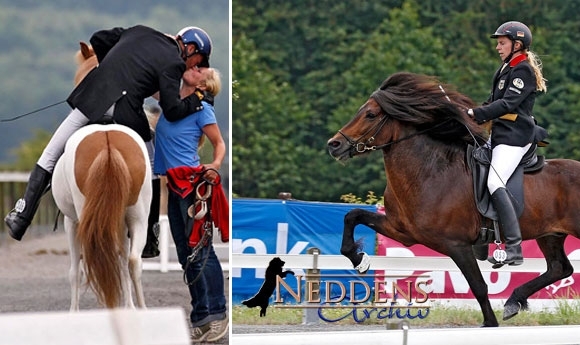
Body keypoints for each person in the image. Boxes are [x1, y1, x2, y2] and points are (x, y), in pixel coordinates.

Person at [5, 25, 213, 248]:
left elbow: (99, 38)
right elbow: (172, 110)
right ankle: (151, 235)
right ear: (190, 48)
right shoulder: (175, 63)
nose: (196, 66)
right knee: (152, 160)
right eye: (198, 60)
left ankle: (21, 217)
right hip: (127, 112)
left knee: (51, 153)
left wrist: (109, 71)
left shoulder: (139, 30)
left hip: (92, 99)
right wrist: (198, 97)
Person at [153, 67, 228, 342]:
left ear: (204, 84)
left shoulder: (202, 111)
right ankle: (201, 316)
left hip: (190, 185)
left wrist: (215, 163)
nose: (194, 67)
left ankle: (217, 313)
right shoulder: (171, 101)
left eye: (200, 69)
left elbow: (219, 143)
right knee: (186, 255)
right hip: (172, 186)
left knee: (201, 251)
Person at [467, 21, 547, 266]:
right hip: (500, 136)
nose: (498, 47)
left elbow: (508, 105)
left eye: (502, 43)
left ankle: (514, 247)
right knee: (472, 169)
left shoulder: (522, 70)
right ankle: (481, 238)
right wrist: (467, 112)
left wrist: (477, 114)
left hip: (515, 138)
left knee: (494, 181)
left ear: (517, 44)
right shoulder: (505, 69)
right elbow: (492, 100)